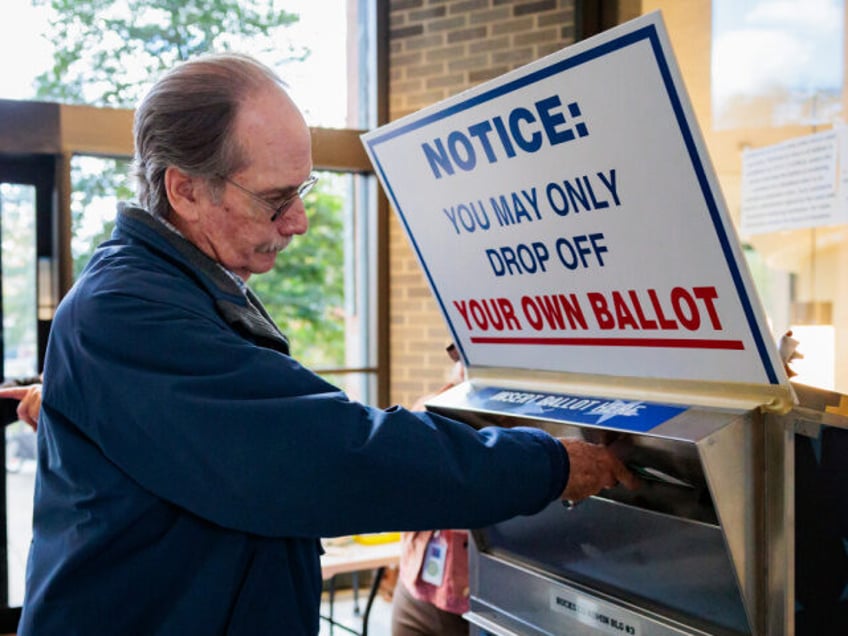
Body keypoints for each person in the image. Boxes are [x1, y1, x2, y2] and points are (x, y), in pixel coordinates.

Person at [17, 52, 637, 635]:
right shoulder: (128, 311)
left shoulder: (165, 295)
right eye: (276, 199)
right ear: (184, 190)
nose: (298, 221)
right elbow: (327, 455)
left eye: (301, 193)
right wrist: (547, 465)